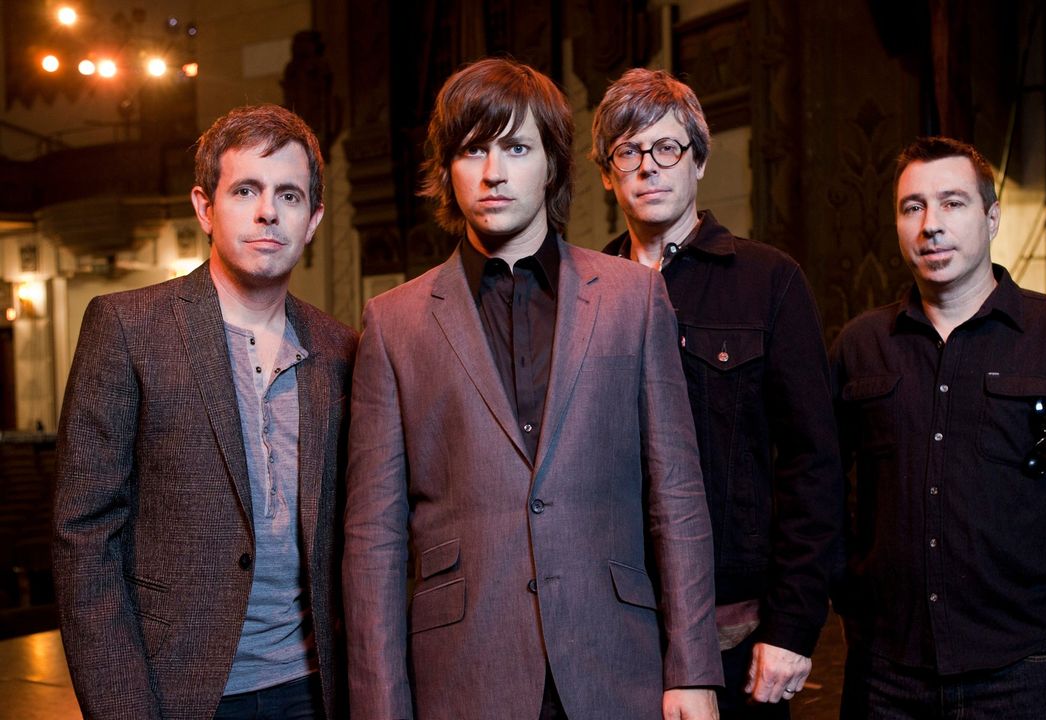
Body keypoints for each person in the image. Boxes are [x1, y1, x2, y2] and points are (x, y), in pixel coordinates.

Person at [342, 58, 722, 720]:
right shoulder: (393, 322)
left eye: (517, 148)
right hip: (465, 672)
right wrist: (380, 707)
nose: (494, 172)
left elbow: (678, 496)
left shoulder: (634, 299)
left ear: (551, 165)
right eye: (472, 150)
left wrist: (693, 670)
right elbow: (374, 537)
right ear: (447, 170)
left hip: (614, 663)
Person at [829, 136, 1046, 718]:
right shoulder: (860, 347)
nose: (931, 225)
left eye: (953, 203)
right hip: (887, 678)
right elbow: (814, 485)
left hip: (1024, 675)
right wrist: (846, 591)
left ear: (991, 218)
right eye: (913, 207)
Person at [52, 104, 357, 719]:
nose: (268, 211)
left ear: (314, 219)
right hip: (181, 690)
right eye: (245, 190)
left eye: (290, 195)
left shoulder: (341, 348)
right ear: (204, 207)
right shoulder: (128, 328)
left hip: (316, 686)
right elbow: (83, 538)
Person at [591, 68, 842, 718]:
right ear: (608, 174)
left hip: (738, 631)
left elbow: (814, 466)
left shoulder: (768, 282)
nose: (649, 165)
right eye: (628, 151)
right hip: (613, 630)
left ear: (698, 161)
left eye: (667, 147)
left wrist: (793, 626)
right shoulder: (581, 296)